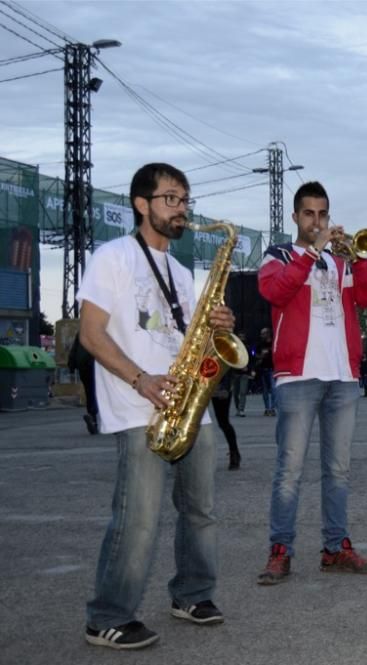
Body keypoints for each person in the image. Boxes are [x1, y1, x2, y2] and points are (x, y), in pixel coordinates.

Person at [79, 163, 234, 649]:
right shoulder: (113, 257)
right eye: (171, 198)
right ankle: (107, 614)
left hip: (189, 403)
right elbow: (90, 334)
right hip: (137, 402)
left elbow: (185, 340)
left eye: (185, 199)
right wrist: (141, 380)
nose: (182, 209)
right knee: (138, 517)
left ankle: (192, 593)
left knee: (200, 510)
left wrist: (217, 327)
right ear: (141, 204)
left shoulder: (184, 272)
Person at [256, 181, 367, 585]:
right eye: (309, 214)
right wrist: (312, 252)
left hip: (342, 378)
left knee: (338, 471)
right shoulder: (278, 255)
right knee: (289, 471)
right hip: (297, 377)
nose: (317, 221)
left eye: (323, 214)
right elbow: (275, 291)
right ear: (295, 217)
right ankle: (281, 550)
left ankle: (335, 548)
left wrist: (358, 257)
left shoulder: (341, 261)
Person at [68, 331, 99, 434]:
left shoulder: (82, 332)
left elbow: (74, 349)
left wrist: (71, 366)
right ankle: (109, 420)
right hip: (96, 365)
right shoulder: (102, 328)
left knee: (90, 392)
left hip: (83, 366)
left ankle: (92, 418)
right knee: (99, 392)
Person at [211, 368, 242, 470]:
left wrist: (226, 387)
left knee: (223, 422)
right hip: (208, 382)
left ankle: (234, 453)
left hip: (220, 386)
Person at [257, 327, 276, 416]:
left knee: (273, 389)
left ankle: (272, 408)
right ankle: (267, 408)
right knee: (264, 390)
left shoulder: (274, 343)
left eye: (263, 334)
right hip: (263, 369)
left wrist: (271, 352)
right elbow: (255, 355)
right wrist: (261, 356)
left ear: (268, 334)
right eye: (261, 334)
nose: (261, 336)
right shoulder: (260, 344)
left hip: (272, 369)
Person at [232, 331, 252, 416]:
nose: (241, 338)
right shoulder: (234, 348)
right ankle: (238, 408)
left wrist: (250, 369)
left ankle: (241, 409)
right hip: (235, 373)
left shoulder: (247, 348)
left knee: (243, 392)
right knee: (235, 393)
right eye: (240, 336)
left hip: (244, 373)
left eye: (243, 337)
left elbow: (252, 359)